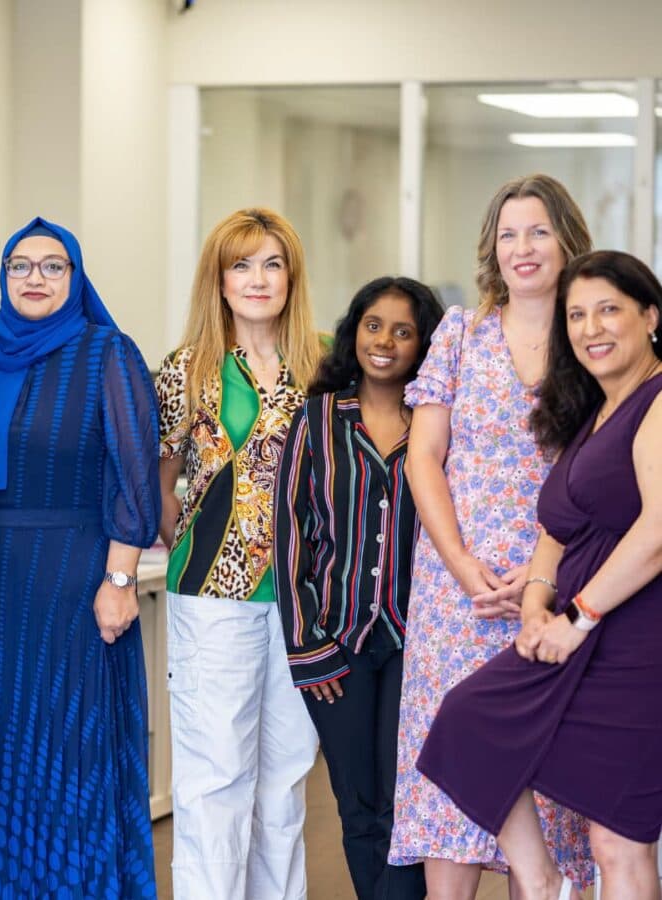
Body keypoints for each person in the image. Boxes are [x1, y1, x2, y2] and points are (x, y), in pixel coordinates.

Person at [417, 250, 662, 900]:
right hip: (579, 630)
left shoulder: (658, 400)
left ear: (651, 315)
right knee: (468, 721)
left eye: (609, 309)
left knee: (617, 838)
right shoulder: (597, 412)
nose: (591, 327)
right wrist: (533, 606)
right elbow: (557, 531)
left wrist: (576, 617)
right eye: (577, 315)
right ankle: (542, 878)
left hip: (637, 642)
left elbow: (657, 534)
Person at [388, 174, 596, 897]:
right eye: (509, 234)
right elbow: (423, 457)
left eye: (538, 231)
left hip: (557, 582)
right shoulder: (460, 331)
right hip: (461, 591)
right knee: (456, 764)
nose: (523, 248)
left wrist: (546, 577)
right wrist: (462, 565)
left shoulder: (591, 339)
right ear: (491, 249)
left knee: (542, 773)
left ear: (568, 239)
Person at [0, 216, 161, 898]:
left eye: (52, 266)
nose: (34, 278)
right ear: (3, 276)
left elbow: (133, 476)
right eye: (20, 266)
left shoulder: (106, 354)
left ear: (75, 278)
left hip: (74, 582)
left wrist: (119, 579)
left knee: (67, 750)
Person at [157, 207, 323, 899]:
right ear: (219, 280)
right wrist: (200, 548)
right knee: (214, 779)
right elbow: (160, 485)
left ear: (291, 276)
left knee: (285, 783)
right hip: (213, 599)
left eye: (272, 263)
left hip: (303, 599)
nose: (258, 279)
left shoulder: (324, 364)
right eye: (241, 264)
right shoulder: (184, 371)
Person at [274, 276, 445, 900]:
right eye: (374, 325)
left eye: (404, 331)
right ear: (355, 332)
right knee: (359, 804)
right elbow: (290, 531)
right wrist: (306, 645)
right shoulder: (318, 419)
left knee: (408, 798)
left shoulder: (436, 425)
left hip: (415, 641)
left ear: (422, 343)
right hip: (335, 646)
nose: (386, 341)